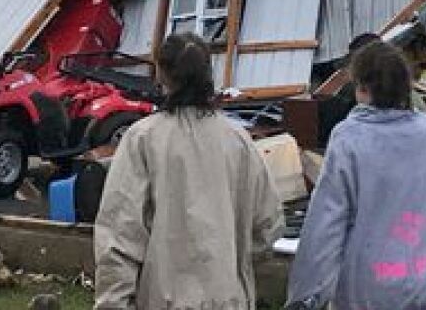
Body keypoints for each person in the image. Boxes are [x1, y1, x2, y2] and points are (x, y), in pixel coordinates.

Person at [94, 33, 284, 310]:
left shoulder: (142, 139)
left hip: (165, 299)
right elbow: (267, 225)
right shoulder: (238, 139)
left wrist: (113, 302)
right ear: (208, 73)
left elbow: (120, 234)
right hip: (227, 299)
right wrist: (227, 263)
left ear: (160, 74)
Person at [286, 40, 426, 310]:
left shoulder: (350, 136)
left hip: (369, 291)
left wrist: (307, 294)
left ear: (362, 87)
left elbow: (328, 221)